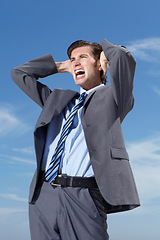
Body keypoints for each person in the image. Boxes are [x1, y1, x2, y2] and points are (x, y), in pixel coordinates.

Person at [11, 39, 140, 240]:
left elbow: (124, 58)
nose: (76, 62)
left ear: (99, 63)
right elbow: (19, 73)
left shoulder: (114, 99)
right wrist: (62, 66)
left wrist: (106, 57)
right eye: (73, 59)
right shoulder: (57, 101)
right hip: (43, 195)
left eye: (83, 57)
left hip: (83, 196)